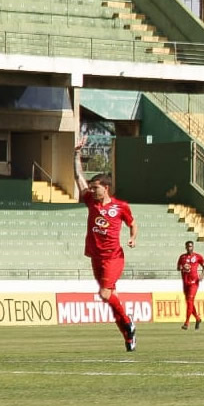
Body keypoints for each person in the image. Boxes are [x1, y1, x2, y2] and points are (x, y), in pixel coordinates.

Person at [75, 136, 138, 352]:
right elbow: (78, 178)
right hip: (96, 256)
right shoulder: (91, 202)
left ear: (106, 188)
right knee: (112, 298)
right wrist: (76, 155)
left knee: (104, 294)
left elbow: (132, 223)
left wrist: (132, 237)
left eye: (96, 188)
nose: (92, 191)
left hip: (113, 257)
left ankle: (129, 322)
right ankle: (128, 337)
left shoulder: (120, 206)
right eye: (92, 188)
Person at [177, 240, 204, 330]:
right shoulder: (182, 257)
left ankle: (187, 323)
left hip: (194, 283)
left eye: (191, 246)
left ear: (193, 247)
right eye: (188, 246)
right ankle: (197, 318)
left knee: (189, 301)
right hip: (185, 283)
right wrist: (182, 267)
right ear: (186, 247)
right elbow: (178, 268)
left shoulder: (198, 257)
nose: (190, 248)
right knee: (189, 302)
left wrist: (201, 275)